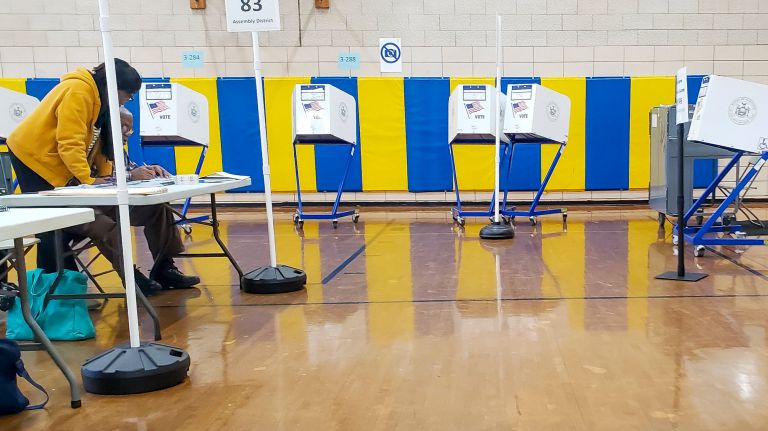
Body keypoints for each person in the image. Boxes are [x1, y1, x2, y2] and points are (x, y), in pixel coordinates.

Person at [7, 59, 199, 295]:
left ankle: (164, 267)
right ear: (112, 86)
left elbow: (102, 148)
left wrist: (107, 180)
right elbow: (69, 142)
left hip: (70, 176)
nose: (125, 100)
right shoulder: (79, 90)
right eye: (126, 95)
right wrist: (88, 181)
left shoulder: (100, 102)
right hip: (34, 161)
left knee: (157, 209)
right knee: (82, 225)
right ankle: (130, 276)